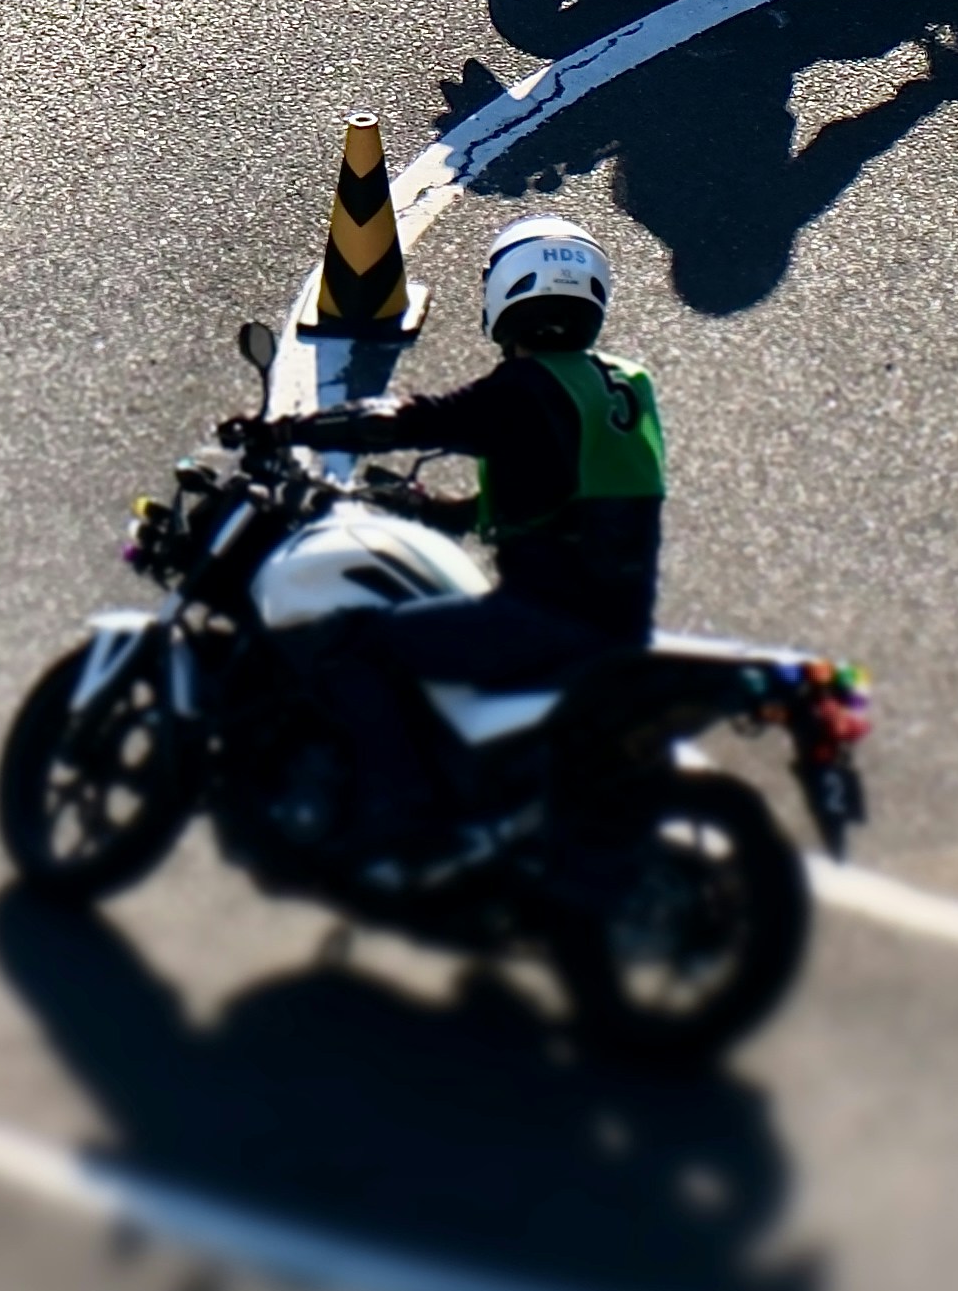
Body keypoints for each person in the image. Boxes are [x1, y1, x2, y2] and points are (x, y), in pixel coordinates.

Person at [213, 217, 669, 869]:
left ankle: (401, 811)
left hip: (547, 618)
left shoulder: (526, 387)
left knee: (355, 647)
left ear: (507, 290)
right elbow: (566, 499)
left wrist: (289, 431)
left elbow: (409, 420)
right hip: (619, 622)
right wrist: (437, 512)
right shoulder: (624, 386)